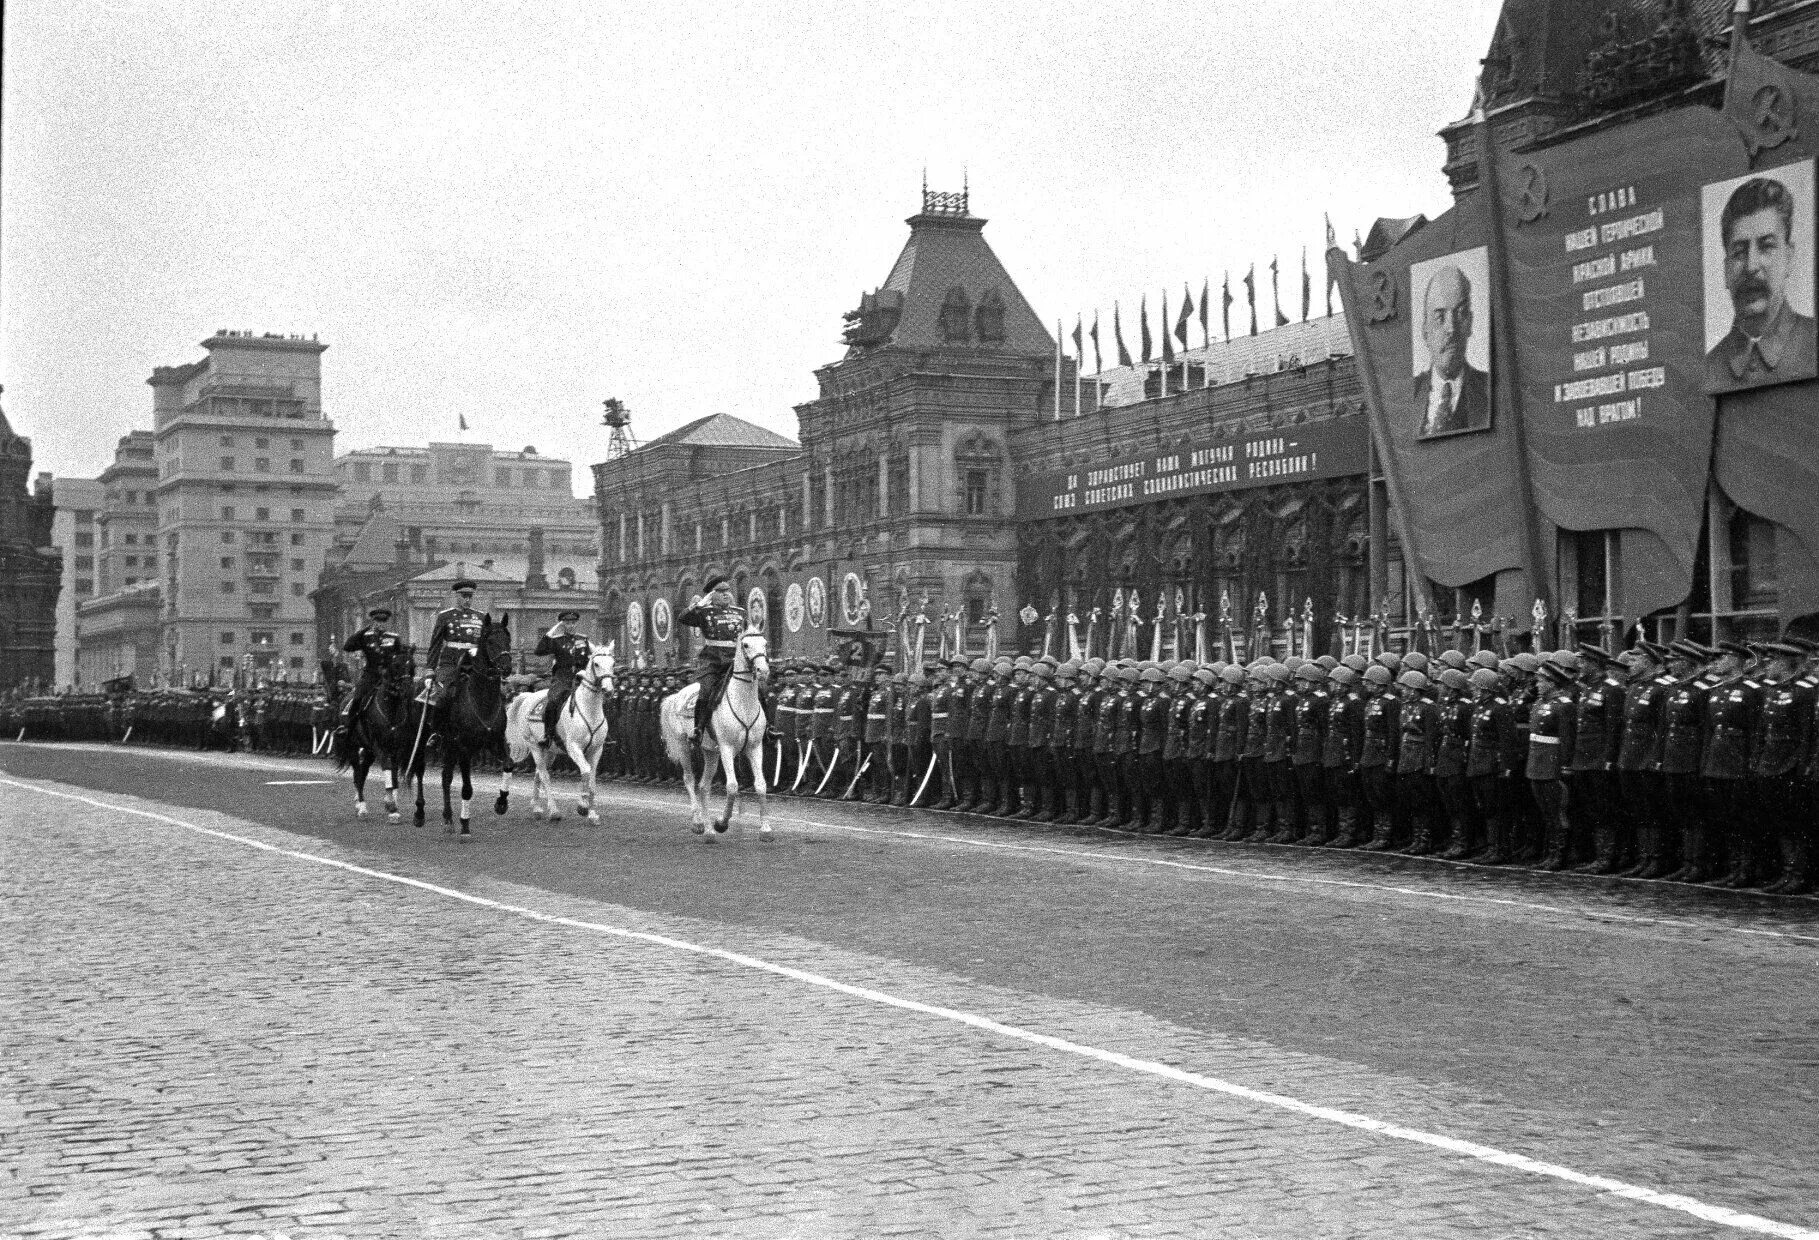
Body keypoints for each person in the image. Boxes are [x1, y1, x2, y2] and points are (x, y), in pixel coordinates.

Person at [1705, 176, 1818, 393]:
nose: (1751, 266)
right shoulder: (1709, 368)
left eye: (1766, 246)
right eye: (1739, 252)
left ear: (1789, 258)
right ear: (1725, 270)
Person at [1413, 265, 1491, 438]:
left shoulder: (1490, 389)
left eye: (1460, 313)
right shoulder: (1409, 393)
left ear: (1470, 323)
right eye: (1440, 316)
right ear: (1425, 330)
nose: (1451, 328)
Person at [677, 576, 747, 746]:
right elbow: (683, 618)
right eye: (720, 592)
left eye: (727, 591)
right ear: (711, 595)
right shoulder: (704, 612)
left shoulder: (740, 612)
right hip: (713, 660)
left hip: (735, 659)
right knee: (706, 689)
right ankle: (698, 729)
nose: (726, 594)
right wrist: (700, 604)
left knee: (757, 686)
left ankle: (768, 728)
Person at [338, 607, 405, 734]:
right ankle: (349, 729)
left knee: (404, 698)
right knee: (357, 698)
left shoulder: (394, 638)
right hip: (371, 676)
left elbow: (400, 657)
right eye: (377, 621)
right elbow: (348, 646)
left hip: (389, 677)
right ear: (373, 622)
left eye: (383, 621)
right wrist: (363, 630)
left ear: (387, 622)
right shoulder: (366, 637)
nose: (381, 624)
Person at [423, 579, 486, 709]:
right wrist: (430, 671)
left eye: (470, 596)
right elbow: (435, 645)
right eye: (464, 596)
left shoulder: (481, 617)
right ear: (456, 596)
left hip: (474, 663)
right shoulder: (445, 616)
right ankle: (437, 727)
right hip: (450, 663)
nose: (467, 600)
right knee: (440, 695)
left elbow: (486, 644)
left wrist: (479, 651)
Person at [534, 609, 592, 747]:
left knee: (597, 699)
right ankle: (548, 735)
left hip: (581, 677)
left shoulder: (583, 640)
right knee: (553, 701)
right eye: (567, 623)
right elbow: (539, 651)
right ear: (563, 624)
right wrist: (552, 631)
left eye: (573, 622)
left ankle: (601, 734)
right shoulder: (556, 641)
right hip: (562, 678)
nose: (571, 625)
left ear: (576, 623)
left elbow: (591, 658)